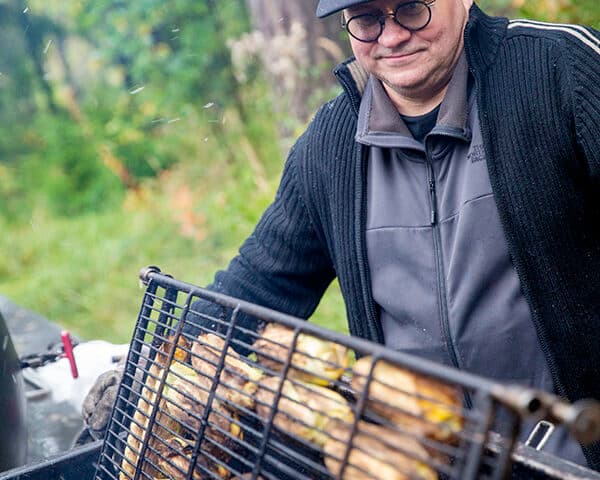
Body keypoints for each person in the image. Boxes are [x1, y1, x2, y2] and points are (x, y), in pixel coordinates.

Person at [83, 0, 600, 470]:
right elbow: (257, 286)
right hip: (416, 461)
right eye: (368, 19)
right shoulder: (330, 145)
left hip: (573, 454)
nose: (392, 36)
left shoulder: (559, 72)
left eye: (412, 9)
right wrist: (146, 373)